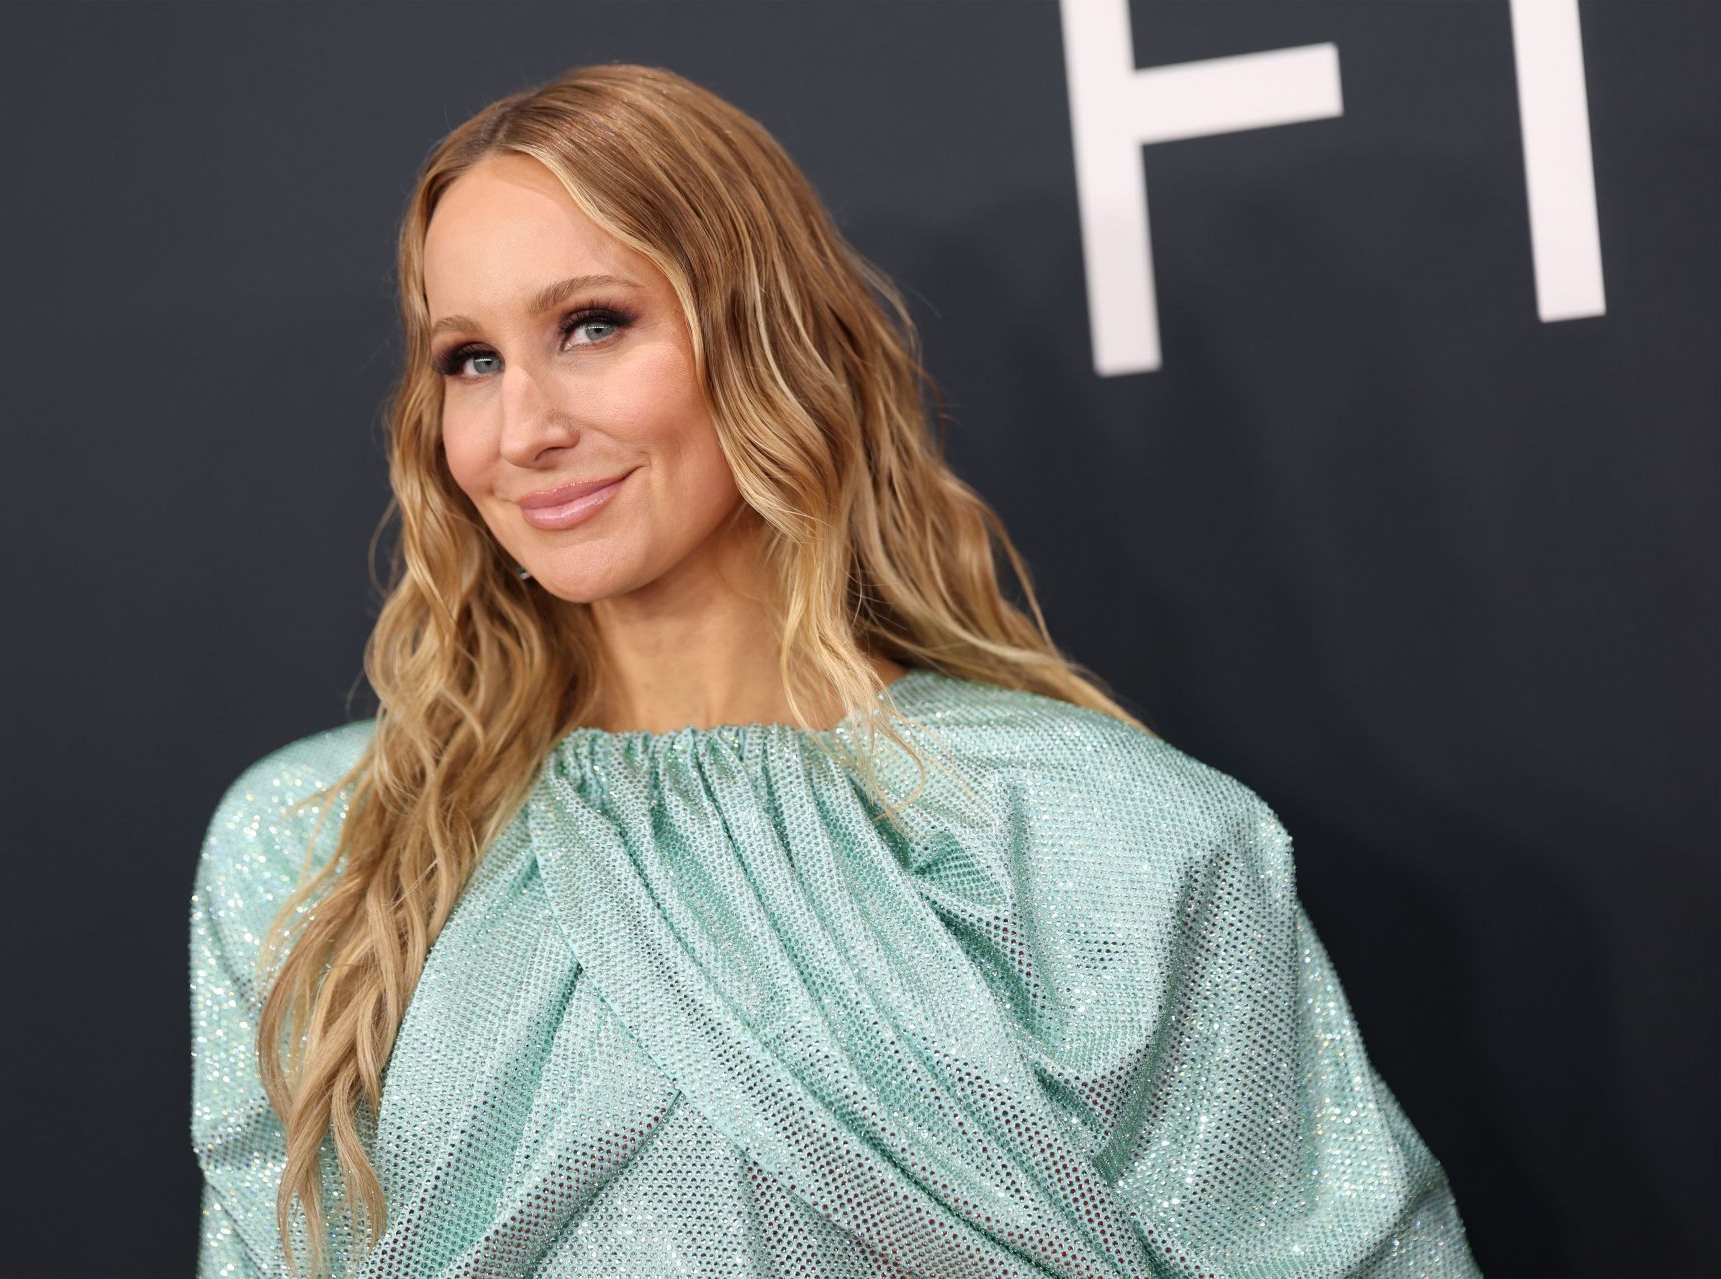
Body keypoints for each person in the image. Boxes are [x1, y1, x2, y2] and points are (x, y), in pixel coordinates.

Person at [188, 62, 1482, 1279]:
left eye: (592, 326)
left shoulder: (1101, 837)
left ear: (764, 340)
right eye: (470, 360)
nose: (523, 428)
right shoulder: (318, 849)